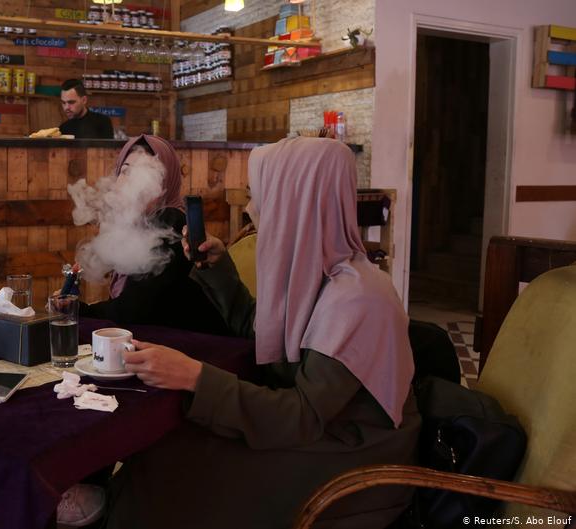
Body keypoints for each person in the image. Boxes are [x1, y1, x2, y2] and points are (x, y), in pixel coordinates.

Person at [103, 138, 421, 529]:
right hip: (319, 432)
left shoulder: (358, 300)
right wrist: (218, 270)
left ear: (296, 201)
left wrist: (195, 377)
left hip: (353, 459)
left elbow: (304, 417)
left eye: (260, 195)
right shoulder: (317, 276)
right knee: (163, 450)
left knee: (175, 470)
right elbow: (261, 335)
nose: (253, 210)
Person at [75, 134, 228, 336]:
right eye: (125, 170)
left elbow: (133, 310)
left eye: (144, 172)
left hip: (196, 348)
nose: (130, 181)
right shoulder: (138, 226)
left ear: (164, 183)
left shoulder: (171, 222)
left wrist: (78, 310)